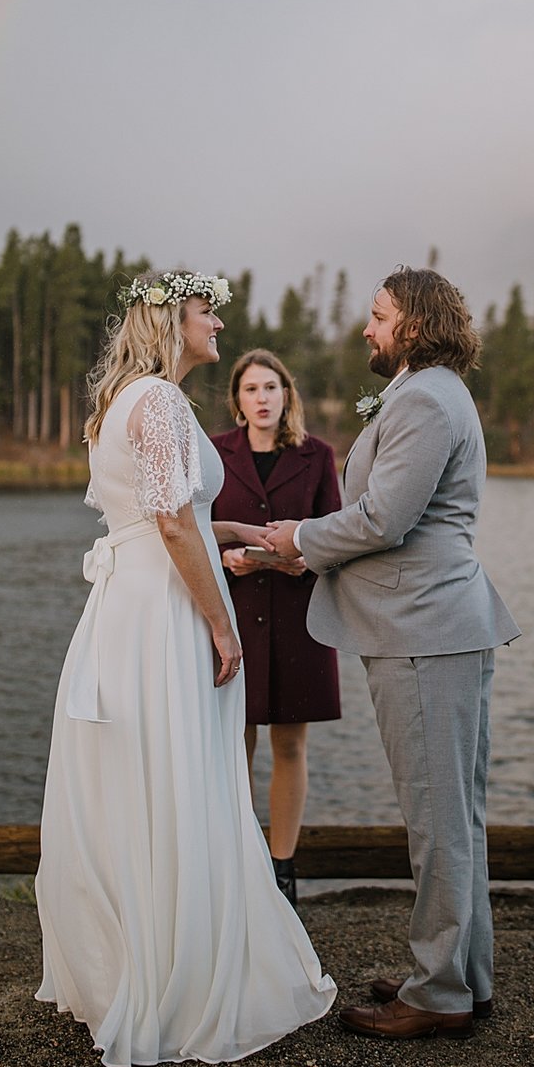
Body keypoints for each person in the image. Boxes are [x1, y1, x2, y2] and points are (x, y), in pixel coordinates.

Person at [35, 272, 335, 1067]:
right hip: (166, 612)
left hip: (123, 609)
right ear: (174, 318)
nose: (221, 322)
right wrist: (217, 622)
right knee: (181, 773)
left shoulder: (121, 402)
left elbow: (171, 513)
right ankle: (179, 974)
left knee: (140, 779)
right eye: (209, 310)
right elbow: (170, 524)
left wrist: (240, 526)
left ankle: (131, 958)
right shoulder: (162, 402)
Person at [269, 265, 520, 1042]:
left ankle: (439, 993)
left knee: (437, 818)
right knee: (456, 815)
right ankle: (460, 976)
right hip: (437, 629)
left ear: (413, 323)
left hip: (423, 631)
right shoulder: (429, 394)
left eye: (378, 317)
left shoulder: (425, 398)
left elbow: (383, 520)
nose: (367, 330)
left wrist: (298, 540)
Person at [211, 350, 342, 907]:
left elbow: (336, 538)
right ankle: (237, 862)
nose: (262, 398)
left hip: (299, 620)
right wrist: (227, 561)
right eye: (251, 389)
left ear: (287, 394)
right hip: (232, 616)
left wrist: (304, 558)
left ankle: (283, 869)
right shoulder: (214, 455)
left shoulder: (318, 457)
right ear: (237, 400)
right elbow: (195, 536)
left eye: (271, 387)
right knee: (232, 743)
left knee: (290, 746)